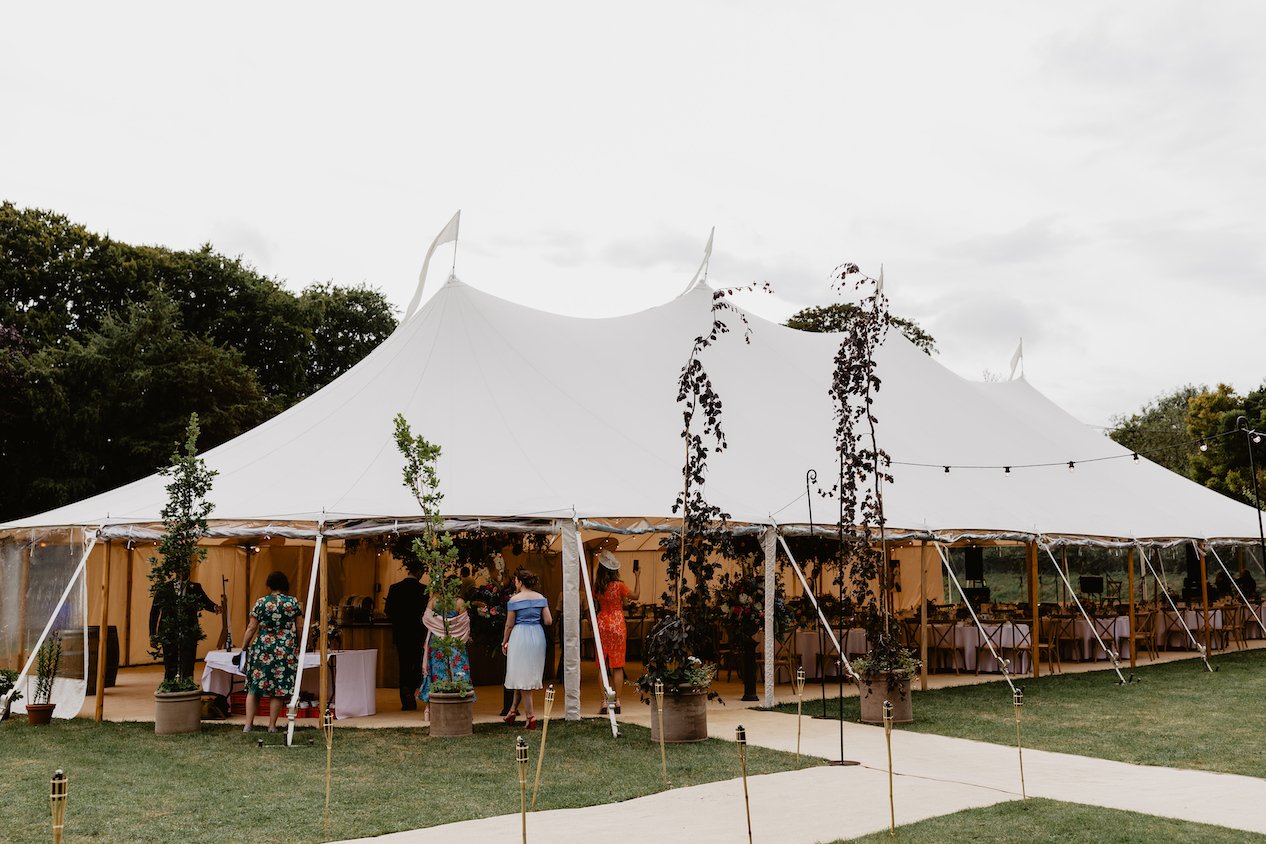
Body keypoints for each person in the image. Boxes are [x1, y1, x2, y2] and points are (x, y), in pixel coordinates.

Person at [240, 571, 301, 733]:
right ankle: (272, 726)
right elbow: (300, 627)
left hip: (263, 648)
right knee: (278, 689)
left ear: (269, 585)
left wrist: (244, 646)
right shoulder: (293, 602)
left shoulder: (261, 602)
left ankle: (248, 724)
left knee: (255, 687)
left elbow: (252, 627)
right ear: (285, 585)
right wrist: (300, 645)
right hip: (285, 649)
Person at [501, 567, 552, 729]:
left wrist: (504, 642)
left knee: (523, 678)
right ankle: (513, 711)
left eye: (516, 580)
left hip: (520, 635)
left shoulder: (515, 600)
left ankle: (530, 716)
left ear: (520, 582)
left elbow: (509, 625)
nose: (515, 583)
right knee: (522, 675)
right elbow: (549, 621)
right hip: (537, 636)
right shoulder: (541, 598)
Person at [149, 578, 220, 682]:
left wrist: (215, 607)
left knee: (188, 662)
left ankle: (187, 684)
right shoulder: (164, 587)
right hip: (168, 632)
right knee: (170, 663)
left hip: (189, 631)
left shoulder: (195, 587)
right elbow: (154, 612)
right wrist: (152, 634)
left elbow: (205, 602)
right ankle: (169, 684)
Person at [593, 549, 639, 714]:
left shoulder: (597, 587)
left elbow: (595, 603)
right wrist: (637, 576)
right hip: (618, 624)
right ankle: (617, 701)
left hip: (603, 623)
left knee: (603, 665)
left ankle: (605, 701)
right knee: (617, 665)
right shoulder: (619, 586)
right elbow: (635, 596)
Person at [417, 589, 474, 719]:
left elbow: (427, 619)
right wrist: (453, 632)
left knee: (436, 673)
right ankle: (464, 709)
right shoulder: (460, 602)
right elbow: (464, 624)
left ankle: (428, 709)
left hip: (437, 642)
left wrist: (440, 628)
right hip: (456, 642)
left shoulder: (433, 601)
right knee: (459, 671)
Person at [384, 563, 428, 711]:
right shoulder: (423, 590)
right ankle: (409, 687)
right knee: (417, 663)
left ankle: (405, 695)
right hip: (417, 633)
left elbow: (388, 610)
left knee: (404, 664)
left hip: (401, 633)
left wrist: (398, 621)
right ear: (419, 571)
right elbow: (427, 613)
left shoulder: (394, 588)